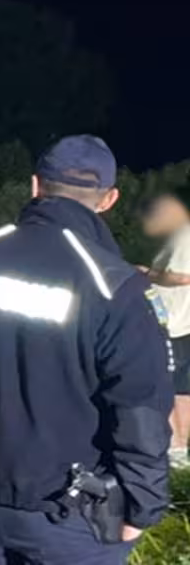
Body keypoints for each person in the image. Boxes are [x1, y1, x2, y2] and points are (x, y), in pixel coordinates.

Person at [0, 135, 173, 564]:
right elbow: (139, 407)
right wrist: (143, 504)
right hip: (72, 511)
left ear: (35, 186)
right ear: (109, 200)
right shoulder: (112, 285)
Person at [138, 189, 190, 468]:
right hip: (185, 323)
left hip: (169, 320)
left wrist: (146, 273)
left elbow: (182, 277)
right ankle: (182, 451)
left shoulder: (184, 235)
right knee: (183, 389)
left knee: (166, 387)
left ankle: (176, 451)